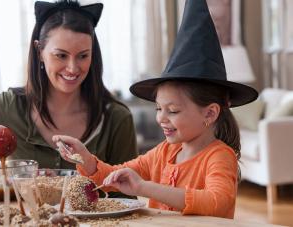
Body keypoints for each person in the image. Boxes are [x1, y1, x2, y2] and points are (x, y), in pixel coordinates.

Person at [52, 0, 258, 219]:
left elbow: (217, 202)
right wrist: (84, 156)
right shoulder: (163, 153)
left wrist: (143, 188)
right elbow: (114, 176)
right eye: (159, 108)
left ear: (209, 113)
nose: (161, 118)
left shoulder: (219, 156)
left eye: (173, 111)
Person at [0, 0, 138, 191]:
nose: (73, 68)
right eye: (61, 55)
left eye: (83, 56)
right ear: (40, 51)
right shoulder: (10, 105)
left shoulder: (116, 118)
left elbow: (130, 195)